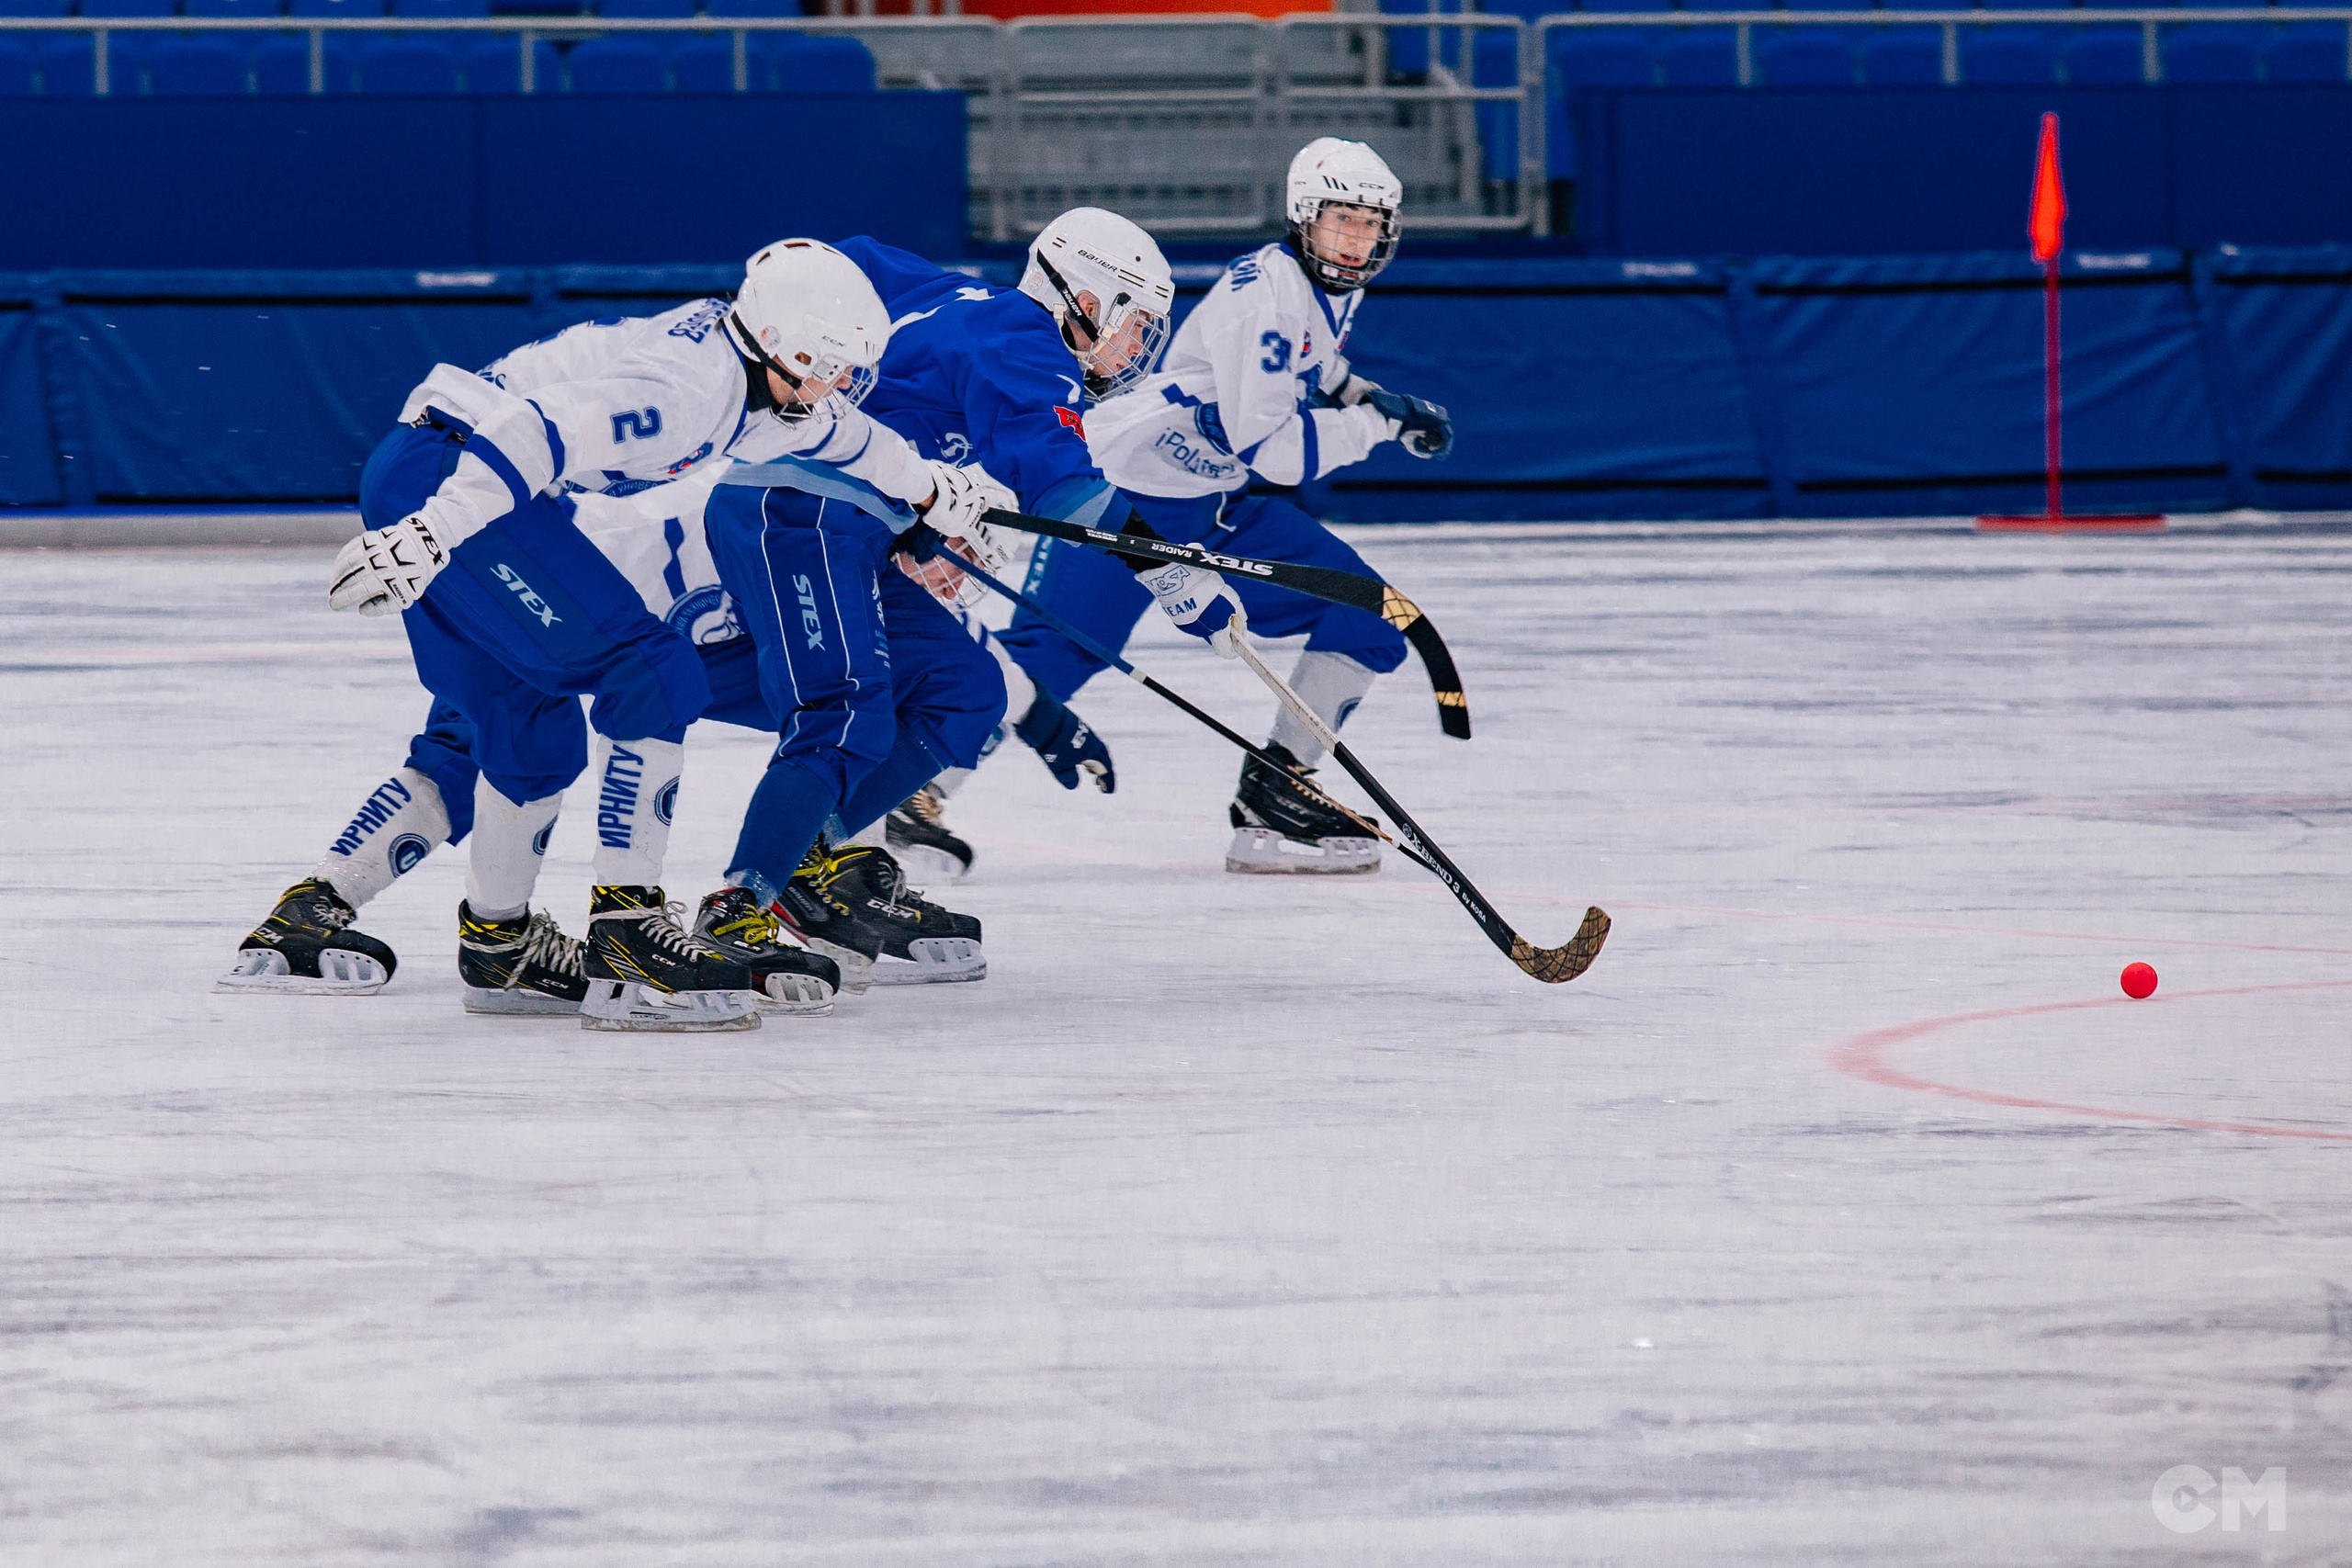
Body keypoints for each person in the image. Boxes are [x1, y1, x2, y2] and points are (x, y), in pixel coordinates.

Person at [218, 240, 990, 1029]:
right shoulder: (690, 392)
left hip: (448, 475)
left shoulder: (747, 387)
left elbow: (850, 441)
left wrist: (939, 494)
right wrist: (435, 529)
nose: (836, 391)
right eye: (830, 369)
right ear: (788, 350)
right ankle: (627, 928)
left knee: (518, 725)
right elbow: (536, 430)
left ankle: (454, 934)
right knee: (655, 675)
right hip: (460, 482)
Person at [995, 139, 1456, 876]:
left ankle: (1277, 789)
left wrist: (1378, 400)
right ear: (1304, 219)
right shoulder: (1263, 304)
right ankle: (911, 799)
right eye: (1341, 221)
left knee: (1367, 612)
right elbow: (1275, 450)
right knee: (1042, 664)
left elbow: (1319, 365)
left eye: (1369, 226)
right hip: (1125, 500)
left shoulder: (1323, 289)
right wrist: (1376, 428)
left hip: (1213, 501)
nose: (1355, 241)